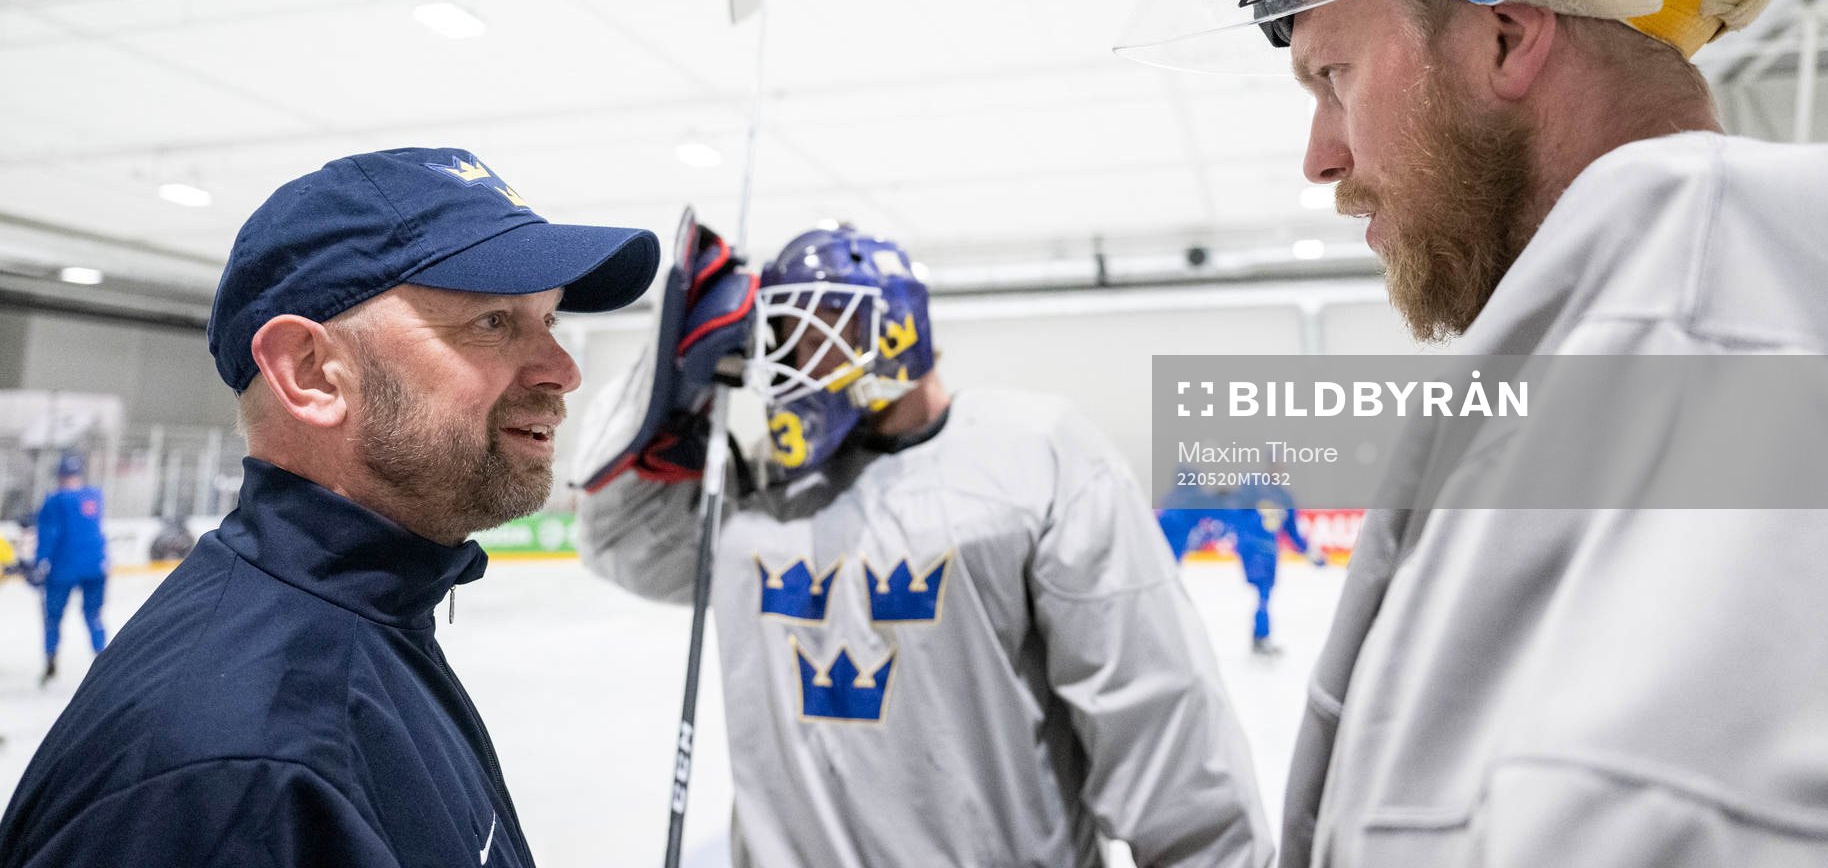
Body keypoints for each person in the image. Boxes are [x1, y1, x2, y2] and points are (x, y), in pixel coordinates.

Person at [1122, 0, 1828, 866]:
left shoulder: (1694, 352)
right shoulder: (1650, 344)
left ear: (1505, 36)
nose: (1322, 157)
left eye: (1334, 75)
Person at [0, 148, 659, 868]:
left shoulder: (373, 621)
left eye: (549, 319)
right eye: (493, 321)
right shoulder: (233, 781)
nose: (564, 371)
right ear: (310, 373)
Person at [576, 222, 1274, 867]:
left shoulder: (1037, 457)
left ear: (893, 326)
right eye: (778, 335)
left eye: (812, 330)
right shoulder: (760, 486)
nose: (788, 360)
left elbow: (1162, 730)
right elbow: (615, 540)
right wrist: (666, 384)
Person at [1159, 484, 1324, 656]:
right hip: (1257, 551)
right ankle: (1261, 636)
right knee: (1264, 594)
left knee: (1264, 594)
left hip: (1263, 551)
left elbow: (1290, 531)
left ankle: (1260, 636)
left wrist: (1309, 552)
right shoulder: (1264, 492)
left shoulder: (1277, 495)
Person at [32, 453, 109, 686]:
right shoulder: (94, 496)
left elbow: (49, 534)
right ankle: (103, 659)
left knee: (53, 617)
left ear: (60, 476)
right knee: (93, 614)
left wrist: (40, 562)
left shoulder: (55, 500)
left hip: (62, 568)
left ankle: (50, 660)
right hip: (95, 565)